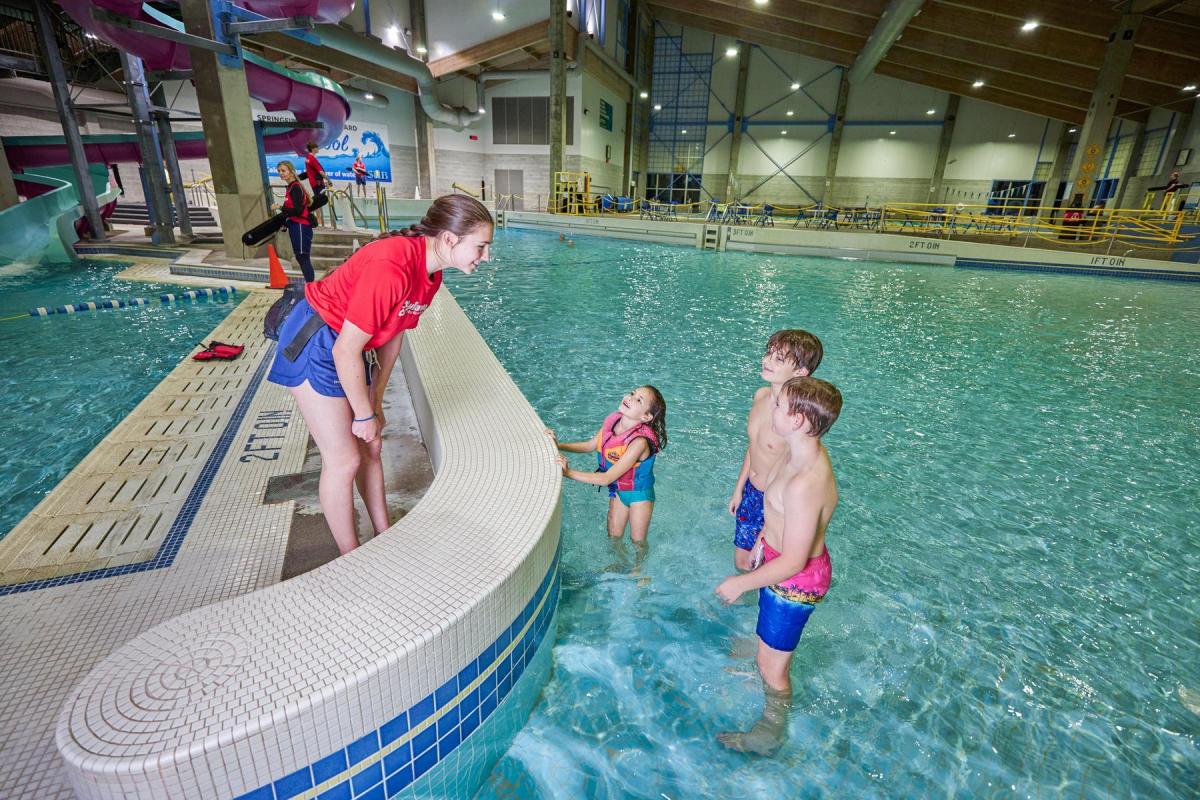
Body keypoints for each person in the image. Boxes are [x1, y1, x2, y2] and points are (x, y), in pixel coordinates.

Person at [266, 194, 494, 554]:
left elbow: (394, 335)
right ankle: (351, 555)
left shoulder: (430, 275)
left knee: (371, 446)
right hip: (316, 342)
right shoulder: (392, 267)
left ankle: (384, 534)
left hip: (348, 346)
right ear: (449, 239)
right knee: (344, 459)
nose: (485, 257)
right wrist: (363, 414)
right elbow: (345, 350)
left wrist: (375, 401)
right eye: (481, 247)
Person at [715, 376, 842, 755]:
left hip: (796, 584)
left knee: (773, 671)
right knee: (766, 653)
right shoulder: (796, 451)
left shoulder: (808, 481)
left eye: (780, 405)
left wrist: (743, 583)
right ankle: (766, 649)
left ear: (800, 420)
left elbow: (795, 560)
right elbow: (778, 513)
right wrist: (760, 538)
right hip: (778, 561)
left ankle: (769, 734)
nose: (772, 408)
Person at [729, 330, 823, 572]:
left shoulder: (795, 420)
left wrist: (769, 523)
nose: (766, 360)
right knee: (742, 562)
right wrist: (739, 488)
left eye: (778, 359)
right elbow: (754, 446)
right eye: (768, 353)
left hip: (775, 501)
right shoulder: (760, 396)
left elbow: (795, 470)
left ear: (801, 373)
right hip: (752, 490)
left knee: (765, 565)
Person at [549, 386, 668, 544]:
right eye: (632, 393)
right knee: (614, 536)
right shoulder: (613, 422)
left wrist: (568, 473)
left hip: (639, 495)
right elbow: (589, 445)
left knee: (637, 542)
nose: (631, 397)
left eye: (639, 400)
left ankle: (637, 569)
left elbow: (606, 478)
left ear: (646, 417)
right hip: (619, 490)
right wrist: (558, 445)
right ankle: (618, 564)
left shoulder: (639, 443)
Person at [276, 160, 315, 282]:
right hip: (294, 225)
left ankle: (311, 288)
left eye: (283, 171)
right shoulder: (291, 187)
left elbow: (297, 211)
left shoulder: (296, 187)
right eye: (279, 171)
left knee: (303, 257)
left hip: (301, 226)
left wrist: (280, 207)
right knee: (300, 257)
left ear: (291, 171)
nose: (281, 173)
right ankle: (310, 286)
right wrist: (284, 223)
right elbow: (290, 211)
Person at [304, 142, 327, 226]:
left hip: (313, 182)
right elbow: (320, 172)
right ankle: (319, 220)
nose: (318, 149)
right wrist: (328, 179)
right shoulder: (312, 158)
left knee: (316, 200)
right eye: (317, 147)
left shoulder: (307, 157)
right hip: (317, 183)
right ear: (313, 148)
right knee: (318, 201)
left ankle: (318, 219)